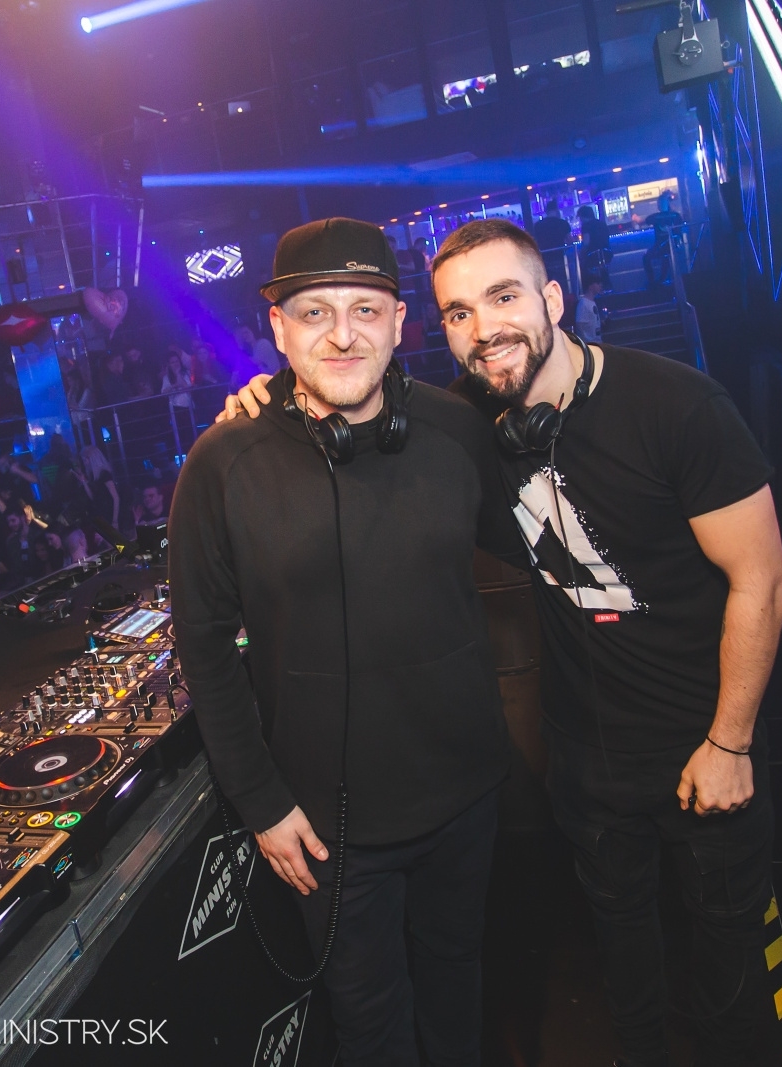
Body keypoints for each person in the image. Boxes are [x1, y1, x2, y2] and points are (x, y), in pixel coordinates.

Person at [171, 217, 526, 1067]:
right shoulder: (223, 462)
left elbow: (541, 541)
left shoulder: (456, 429)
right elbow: (205, 647)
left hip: (466, 794)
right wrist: (262, 803)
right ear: (279, 328)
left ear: (399, 323)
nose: (341, 334)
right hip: (328, 828)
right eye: (314, 312)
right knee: (370, 1029)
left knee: (458, 991)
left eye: (365, 309)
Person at [433, 219, 782, 1066]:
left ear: (553, 299)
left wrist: (730, 742)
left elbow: (762, 581)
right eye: (458, 313)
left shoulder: (679, 406)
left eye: (504, 297)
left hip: (701, 746)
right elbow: (353, 394)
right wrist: (265, 401)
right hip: (586, 761)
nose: (485, 329)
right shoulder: (469, 427)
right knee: (625, 971)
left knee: (729, 979)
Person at [644, 191, 686, 288]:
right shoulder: (675, 215)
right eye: (659, 203)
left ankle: (656, 281)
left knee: (658, 255)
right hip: (670, 245)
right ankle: (658, 281)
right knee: (660, 255)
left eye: (661, 203)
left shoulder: (656, 217)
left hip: (666, 245)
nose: (660, 205)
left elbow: (647, 220)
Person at [530, 199, 573, 286]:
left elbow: (534, 242)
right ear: (557, 210)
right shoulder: (563, 223)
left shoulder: (538, 225)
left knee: (546, 283)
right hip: (560, 257)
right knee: (562, 283)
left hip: (544, 258)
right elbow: (570, 242)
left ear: (546, 211)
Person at [79, 446, 122, 532]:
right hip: (100, 514)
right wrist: (84, 482)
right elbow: (93, 497)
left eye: (85, 460)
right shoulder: (93, 476)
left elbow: (116, 498)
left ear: (92, 460)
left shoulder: (104, 474)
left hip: (109, 513)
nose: (84, 463)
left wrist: (115, 520)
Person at [575, 278, 604, 344]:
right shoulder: (583, 303)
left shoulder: (592, 302)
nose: (600, 286)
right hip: (589, 343)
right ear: (590, 286)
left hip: (597, 341)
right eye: (597, 283)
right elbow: (579, 324)